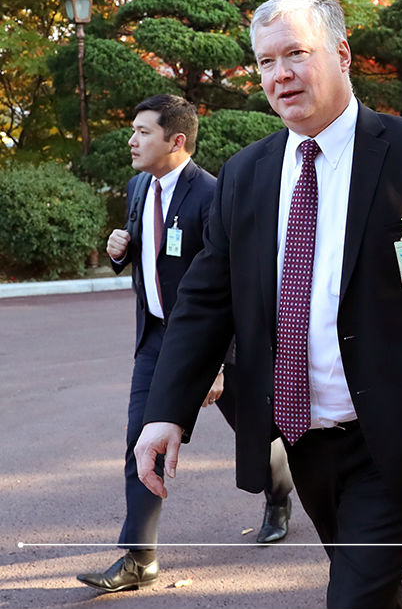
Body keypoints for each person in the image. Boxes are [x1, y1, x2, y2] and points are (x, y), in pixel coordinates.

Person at [133, 0, 402, 609]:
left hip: (399, 428)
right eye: (265, 62)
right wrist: (166, 410)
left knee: (354, 597)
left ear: (342, 54)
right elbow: (205, 300)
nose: (280, 75)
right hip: (303, 437)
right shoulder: (247, 173)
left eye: (297, 54)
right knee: (372, 592)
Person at [77, 95, 295, 595]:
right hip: (157, 339)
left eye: (142, 132)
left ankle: (278, 493)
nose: (131, 140)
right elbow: (150, 250)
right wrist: (120, 250)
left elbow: (235, 284)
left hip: (218, 345)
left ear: (176, 141)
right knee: (142, 441)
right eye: (132, 130)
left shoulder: (214, 195)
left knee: (255, 432)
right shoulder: (137, 187)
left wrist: (219, 363)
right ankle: (139, 558)